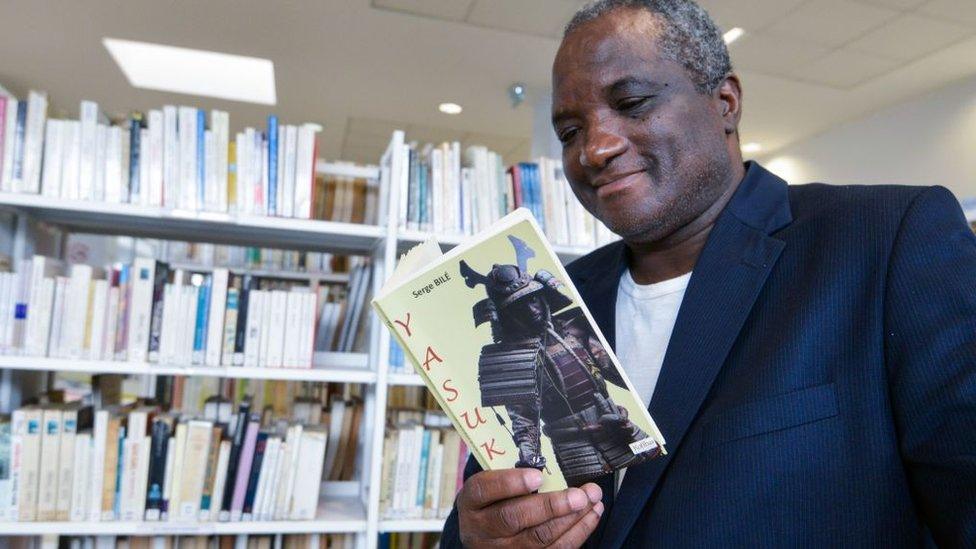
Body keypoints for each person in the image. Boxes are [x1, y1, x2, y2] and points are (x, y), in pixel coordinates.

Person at [440, 0, 976, 547]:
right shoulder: (553, 298)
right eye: (571, 131)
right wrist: (476, 535)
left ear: (725, 103)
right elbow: (497, 500)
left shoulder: (886, 241)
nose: (595, 149)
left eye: (631, 102)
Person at [460, 235, 659, 486]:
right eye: (519, 305)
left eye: (533, 299)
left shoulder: (576, 329)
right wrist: (530, 459)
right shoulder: (508, 360)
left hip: (618, 425)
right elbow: (523, 419)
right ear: (506, 315)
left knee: (656, 475)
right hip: (572, 445)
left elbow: (616, 372)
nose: (531, 308)